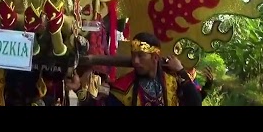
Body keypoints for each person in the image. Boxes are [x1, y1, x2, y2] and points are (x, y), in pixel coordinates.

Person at [67, 32, 202, 106]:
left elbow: (196, 103)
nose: (135, 61)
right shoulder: (124, 88)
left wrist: (180, 70)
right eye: (133, 56)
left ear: (155, 58)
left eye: (141, 56)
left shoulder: (172, 82)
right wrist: (78, 88)